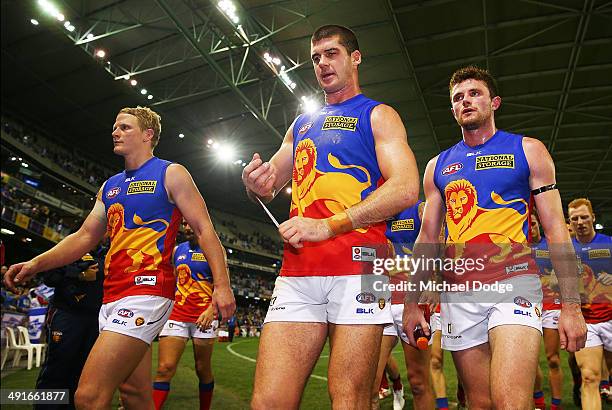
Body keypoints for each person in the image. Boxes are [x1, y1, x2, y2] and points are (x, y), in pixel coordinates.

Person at [4, 106, 235, 409]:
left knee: (88, 396)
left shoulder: (171, 173)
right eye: (115, 127)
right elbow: (84, 236)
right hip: (111, 295)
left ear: (148, 135)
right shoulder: (109, 186)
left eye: (125, 127)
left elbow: (205, 230)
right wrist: (36, 263)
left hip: (147, 291)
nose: (115, 132)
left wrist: (222, 285)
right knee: (135, 395)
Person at [242, 24, 419, 408]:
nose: (322, 63)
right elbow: (270, 182)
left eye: (332, 53)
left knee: (351, 399)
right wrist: (255, 181)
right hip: (299, 269)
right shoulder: (301, 123)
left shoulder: (379, 116)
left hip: (364, 265)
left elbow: (406, 187)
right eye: (316, 57)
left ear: (355, 58)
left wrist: (329, 225)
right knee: (267, 402)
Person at [402, 65, 587, 408]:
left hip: (513, 283)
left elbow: (557, 230)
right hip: (459, 294)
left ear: (494, 102)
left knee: (510, 401)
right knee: (480, 402)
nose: (466, 101)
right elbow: (427, 237)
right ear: (452, 109)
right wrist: (412, 302)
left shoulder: (529, 150)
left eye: (475, 93)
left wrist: (571, 306)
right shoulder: (437, 166)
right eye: (458, 97)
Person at [373, 200, 434, 410]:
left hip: (412, 302)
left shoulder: (419, 208)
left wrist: (434, 281)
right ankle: (396, 387)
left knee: (419, 383)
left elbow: (437, 241)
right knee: (370, 387)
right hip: (378, 301)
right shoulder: (368, 207)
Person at [153, 222, 218, 410]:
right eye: (184, 224)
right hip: (176, 315)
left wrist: (211, 310)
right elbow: (172, 281)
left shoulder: (215, 249)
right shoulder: (177, 251)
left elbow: (222, 285)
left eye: (190, 224)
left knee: (202, 369)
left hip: (204, 318)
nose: (187, 228)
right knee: (164, 368)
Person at [35, 242, 106, 410]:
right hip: (67, 314)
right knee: (58, 366)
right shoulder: (70, 246)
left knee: (83, 370)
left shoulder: (108, 251)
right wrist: (79, 274)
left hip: (95, 319)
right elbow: (49, 276)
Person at [568, 198, 611, 410]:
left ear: (593, 218)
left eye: (584, 217)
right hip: (585, 322)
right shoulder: (564, 250)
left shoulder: (608, 244)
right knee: (588, 377)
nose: (580, 222)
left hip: (611, 318)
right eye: (574, 218)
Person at [531, 211, 563, 410]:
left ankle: (556, 404)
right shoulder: (519, 247)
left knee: (552, 359)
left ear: (539, 224)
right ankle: (539, 401)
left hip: (551, 306)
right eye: (529, 224)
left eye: (534, 223)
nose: (531, 228)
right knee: (530, 360)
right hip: (528, 307)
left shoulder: (550, 245)